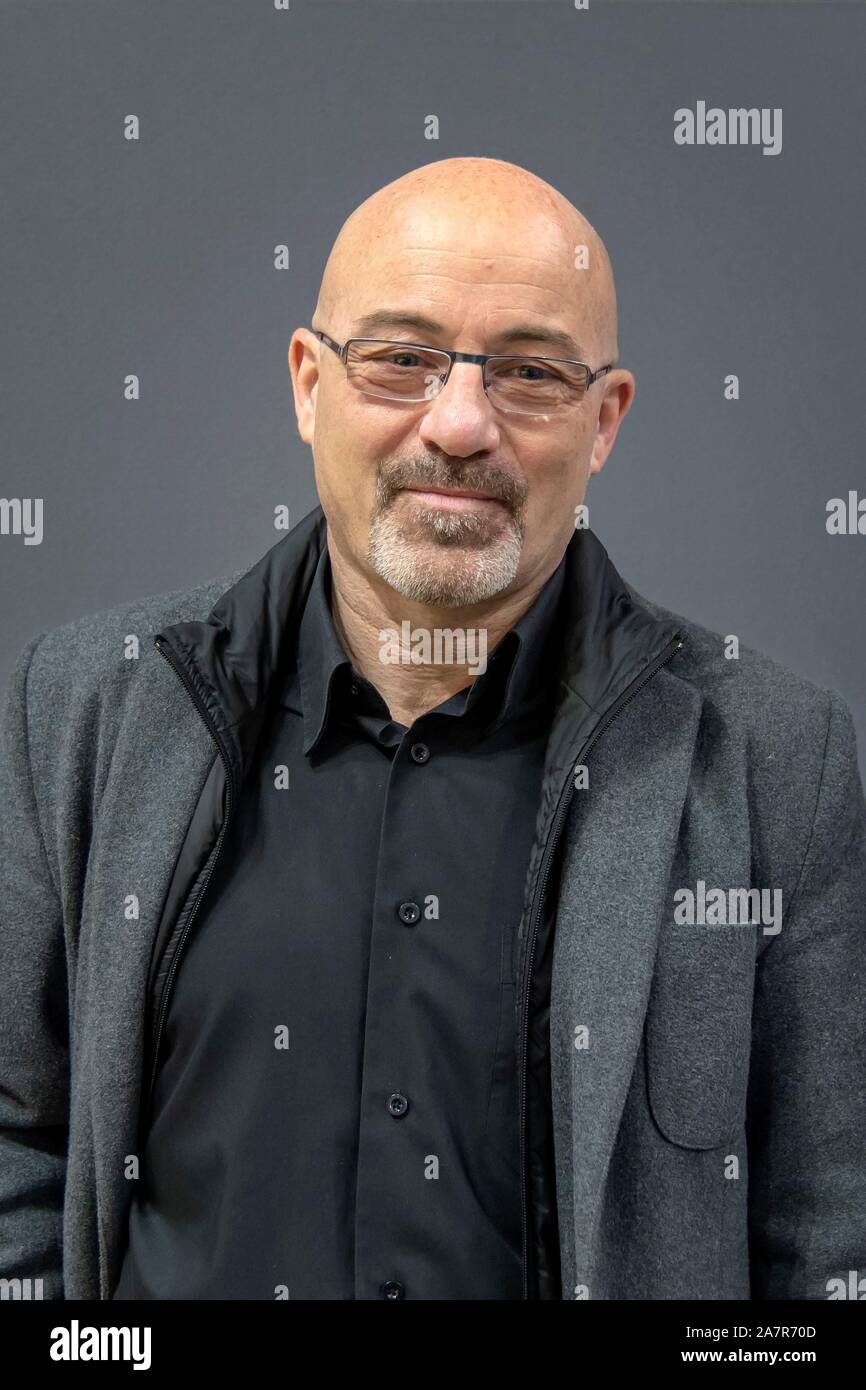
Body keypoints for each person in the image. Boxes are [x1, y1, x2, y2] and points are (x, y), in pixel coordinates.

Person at [1, 157, 864, 1302]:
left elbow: (825, 1248)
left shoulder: (775, 764)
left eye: (530, 372)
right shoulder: (80, 709)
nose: (460, 424)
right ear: (308, 383)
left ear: (603, 419)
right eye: (400, 358)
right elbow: (19, 1147)